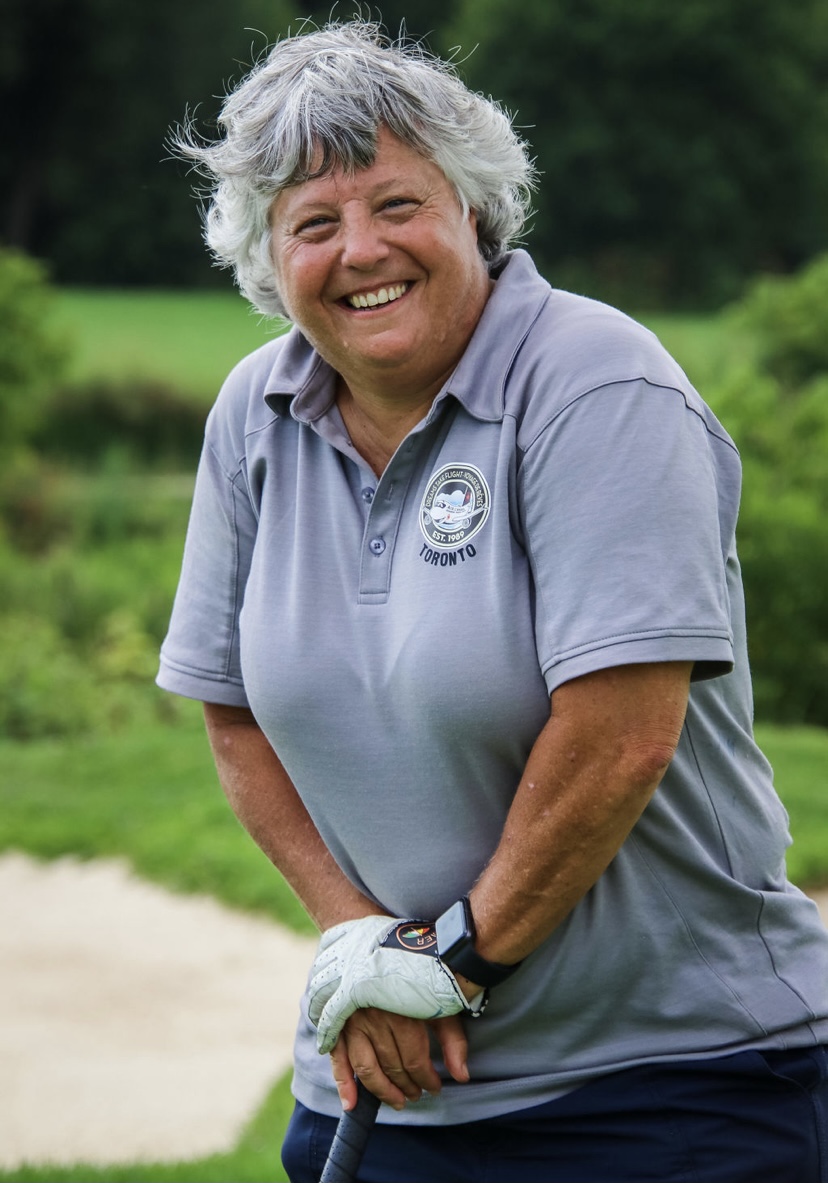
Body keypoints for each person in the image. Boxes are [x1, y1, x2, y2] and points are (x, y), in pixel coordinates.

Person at [157, 20, 828, 1183]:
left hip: (672, 1085)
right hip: (389, 1090)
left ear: (473, 208)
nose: (362, 250)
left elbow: (620, 736)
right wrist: (359, 940)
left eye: (398, 204)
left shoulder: (598, 382)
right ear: (267, 257)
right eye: (313, 224)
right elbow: (232, 710)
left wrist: (450, 966)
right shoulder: (251, 415)